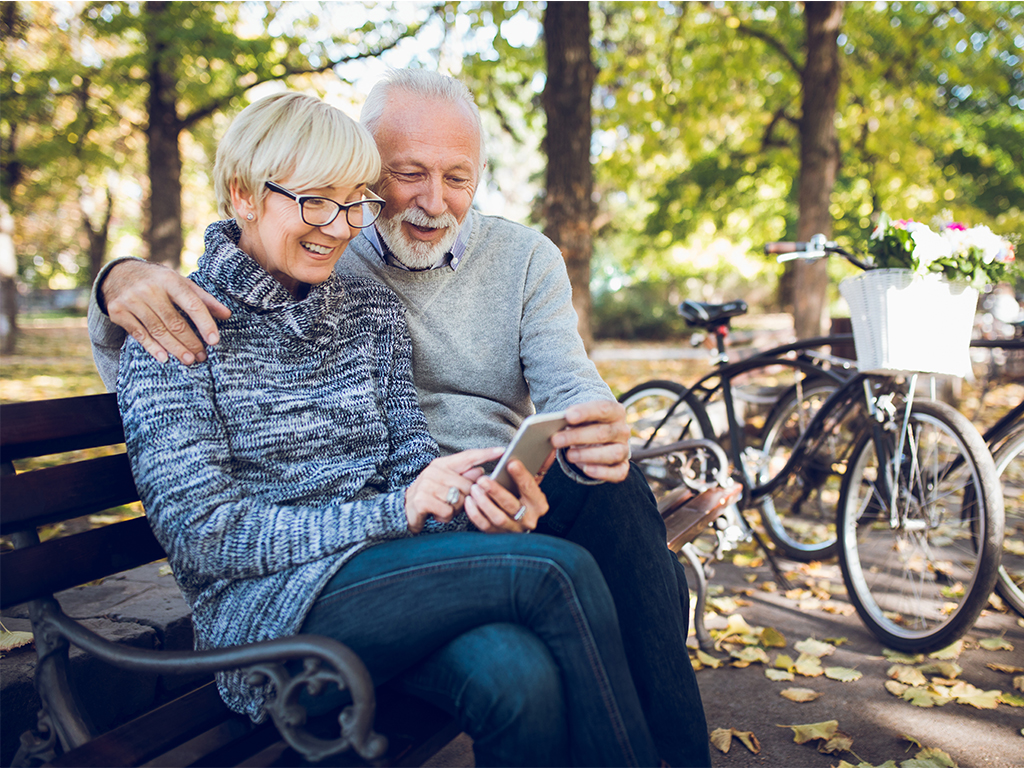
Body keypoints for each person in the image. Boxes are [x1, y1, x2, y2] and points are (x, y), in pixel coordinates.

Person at [90, 71, 712, 767]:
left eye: (351, 203)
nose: (337, 226)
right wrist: (117, 276)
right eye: (316, 202)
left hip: (392, 567)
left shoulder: (365, 313)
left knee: (518, 671)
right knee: (554, 573)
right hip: (271, 613)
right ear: (242, 194)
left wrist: (463, 494)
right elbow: (205, 535)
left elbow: (412, 461)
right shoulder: (178, 330)